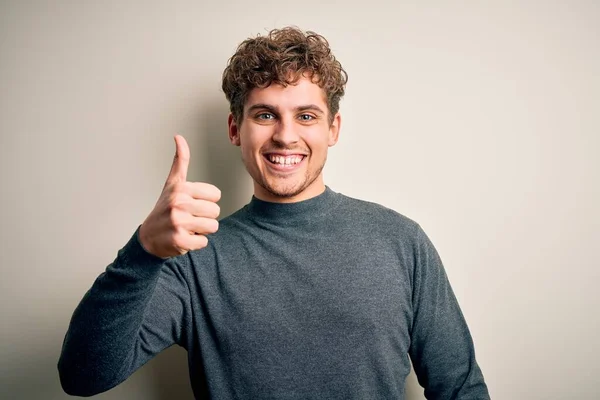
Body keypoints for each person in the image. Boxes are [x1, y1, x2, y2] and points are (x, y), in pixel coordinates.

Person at [58, 27, 490, 399]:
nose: (286, 136)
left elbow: (459, 388)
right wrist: (143, 252)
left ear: (332, 129)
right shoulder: (190, 258)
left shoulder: (401, 241)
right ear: (235, 129)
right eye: (265, 115)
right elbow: (82, 376)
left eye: (306, 116)